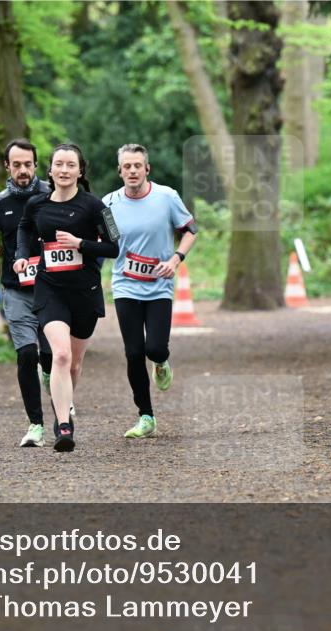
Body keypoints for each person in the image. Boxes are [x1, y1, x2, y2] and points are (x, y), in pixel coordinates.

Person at [14, 143, 119, 452]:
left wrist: (80, 243)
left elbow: (114, 247)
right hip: (50, 288)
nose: (63, 170)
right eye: (58, 164)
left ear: (80, 171)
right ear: (50, 170)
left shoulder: (96, 206)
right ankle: (63, 425)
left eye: (70, 165)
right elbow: (24, 230)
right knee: (60, 355)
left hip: (85, 292)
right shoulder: (36, 204)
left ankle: (65, 402)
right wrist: (21, 256)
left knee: (73, 365)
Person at [102, 144, 197, 439]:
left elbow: (190, 231)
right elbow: (106, 242)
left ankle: (161, 361)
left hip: (159, 286)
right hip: (125, 285)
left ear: (147, 169)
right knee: (133, 353)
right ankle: (146, 416)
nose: (132, 171)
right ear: (120, 171)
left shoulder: (167, 197)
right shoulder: (109, 204)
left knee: (154, 348)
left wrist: (175, 259)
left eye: (137, 166)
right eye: (127, 166)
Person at [0, 138, 54, 447]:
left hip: (53, 290)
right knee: (27, 354)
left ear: (36, 165)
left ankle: (58, 396)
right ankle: (36, 424)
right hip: (17, 290)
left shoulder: (53, 196)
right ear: (7, 167)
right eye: (16, 165)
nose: (23, 170)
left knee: (52, 356)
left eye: (28, 164)